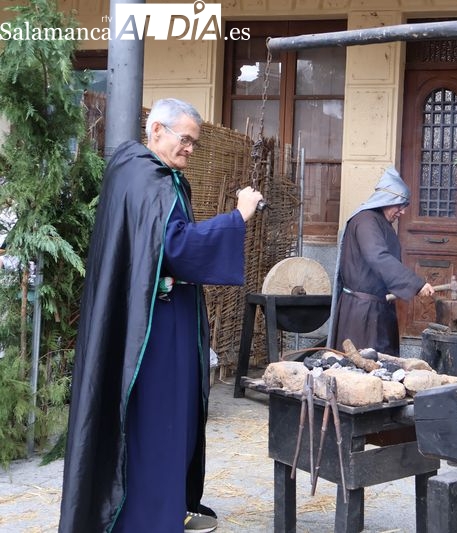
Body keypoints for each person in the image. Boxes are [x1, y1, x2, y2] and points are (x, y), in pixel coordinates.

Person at [58, 98, 263, 533]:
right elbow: (177, 249)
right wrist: (238, 217)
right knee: (159, 419)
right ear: (156, 131)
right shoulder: (150, 179)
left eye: (194, 142)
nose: (190, 148)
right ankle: (149, 518)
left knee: (164, 418)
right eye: (184, 139)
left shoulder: (131, 171)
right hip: (154, 330)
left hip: (150, 315)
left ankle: (164, 509)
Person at [328, 166, 434, 355]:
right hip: (363, 315)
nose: (402, 211)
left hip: (375, 309)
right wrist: (416, 284)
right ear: (386, 199)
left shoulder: (378, 221)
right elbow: (378, 257)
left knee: (381, 366)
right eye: (399, 205)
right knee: (361, 365)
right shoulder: (366, 221)